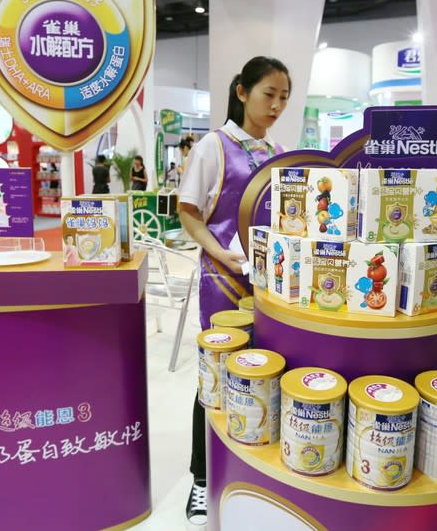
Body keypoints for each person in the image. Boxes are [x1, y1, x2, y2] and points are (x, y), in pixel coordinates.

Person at [177, 56, 290, 531]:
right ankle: (201, 478)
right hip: (223, 280)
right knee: (215, 377)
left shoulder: (276, 150)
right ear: (242, 92)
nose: (277, 105)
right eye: (269, 94)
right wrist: (219, 253)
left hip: (268, 286)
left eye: (284, 97)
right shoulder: (213, 146)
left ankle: (247, 470)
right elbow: (188, 212)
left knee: (261, 373)